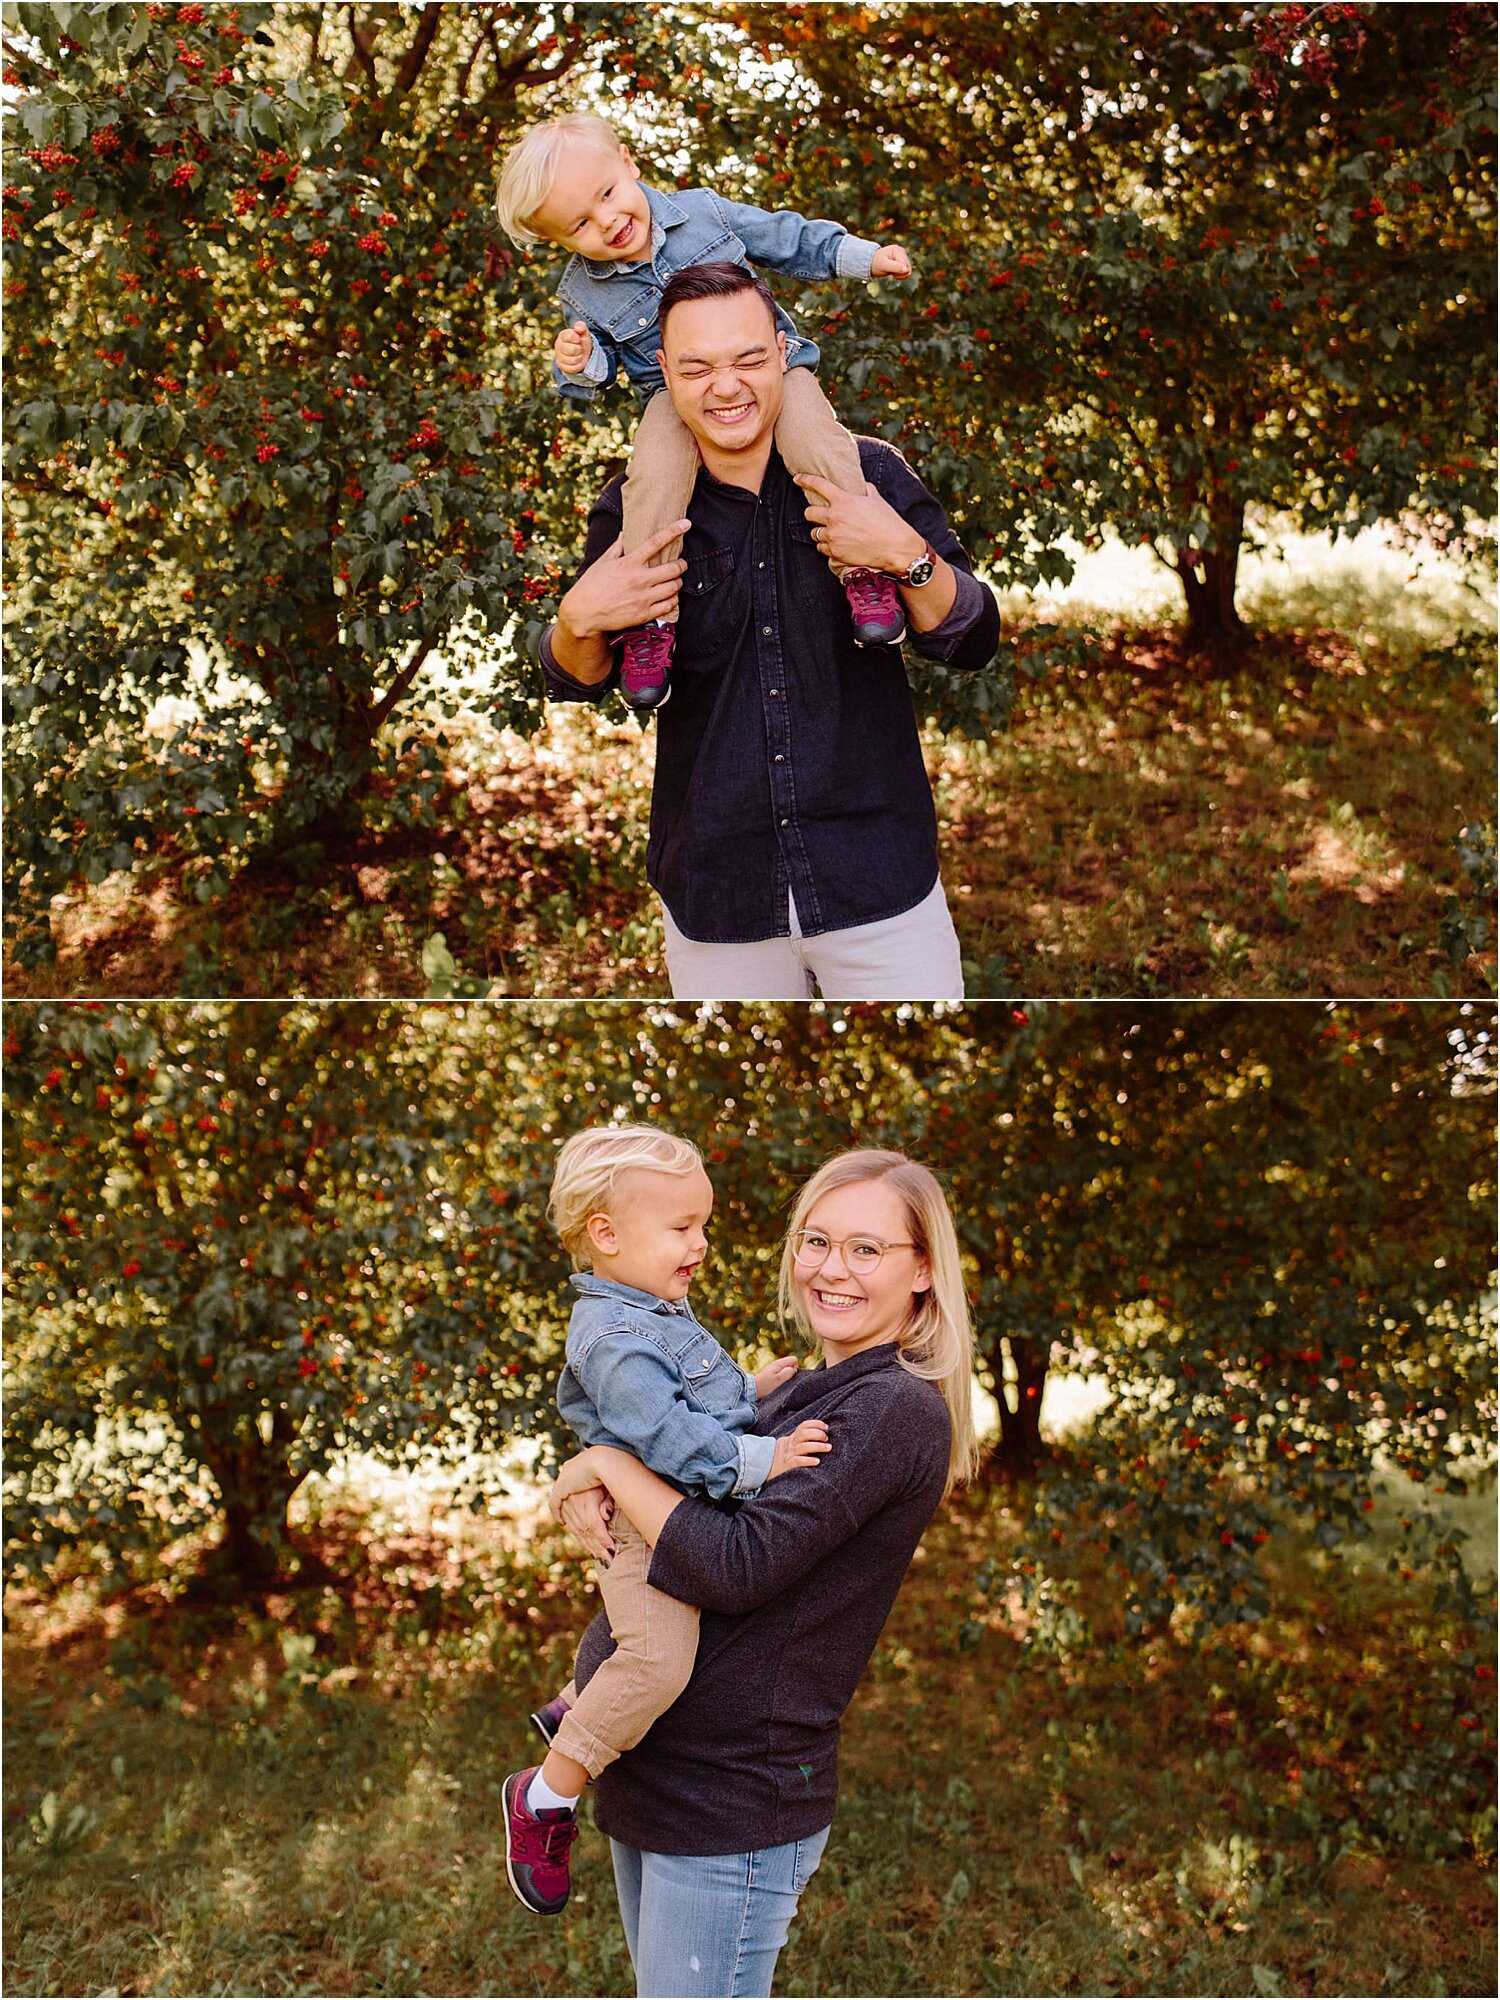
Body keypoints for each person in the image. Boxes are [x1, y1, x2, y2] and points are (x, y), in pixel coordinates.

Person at [534, 1149, 980, 2000]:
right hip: (656, 1770)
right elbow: (678, 1483)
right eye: (816, 1240)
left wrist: (600, 1463)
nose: (830, 1268)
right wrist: (593, 1477)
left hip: (730, 1798)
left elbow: (732, 1567)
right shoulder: (793, 1393)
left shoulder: (891, 1411)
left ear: (923, 1270)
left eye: (865, 1249)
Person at [538, 261, 1002, 1003]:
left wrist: (904, 558)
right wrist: (577, 621)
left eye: (749, 359)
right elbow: (574, 676)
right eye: (698, 367)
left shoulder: (866, 474)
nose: (727, 387)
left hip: (879, 885)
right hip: (720, 895)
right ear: (663, 371)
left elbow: (971, 638)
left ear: (783, 352)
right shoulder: (638, 508)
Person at [502, 1124, 832, 1917]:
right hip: (651, 1530)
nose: (702, 1243)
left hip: (671, 1513)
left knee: (683, 1645)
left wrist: (747, 1392)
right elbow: (670, 1439)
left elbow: (680, 1407)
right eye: (682, 1227)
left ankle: (578, 1700)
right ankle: (545, 1796)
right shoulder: (615, 1338)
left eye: (703, 1224)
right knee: (657, 1663)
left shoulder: (651, 1309)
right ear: (605, 1234)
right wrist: (765, 1457)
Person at [495, 112, 914, 708]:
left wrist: (864, 257)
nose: (608, 222)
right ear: (560, 242)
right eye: (580, 225)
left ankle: (862, 572)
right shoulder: (582, 293)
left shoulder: (705, 213)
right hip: (673, 400)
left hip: (775, 367)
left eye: (608, 195)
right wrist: (581, 360)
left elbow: (786, 240)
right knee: (654, 479)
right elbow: (603, 371)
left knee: (814, 437)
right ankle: (650, 622)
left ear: (628, 163)